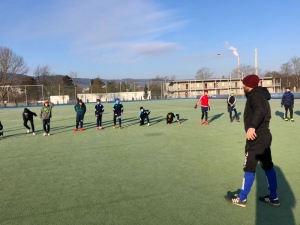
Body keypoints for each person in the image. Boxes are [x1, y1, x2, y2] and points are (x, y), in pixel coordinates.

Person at [224, 74, 280, 208]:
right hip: (265, 136)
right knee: (267, 165)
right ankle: (273, 197)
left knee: (249, 167)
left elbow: (259, 111)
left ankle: (242, 198)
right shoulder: (261, 95)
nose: (242, 86)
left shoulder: (255, 96)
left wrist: (252, 127)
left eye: (243, 84)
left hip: (257, 138)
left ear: (248, 85)